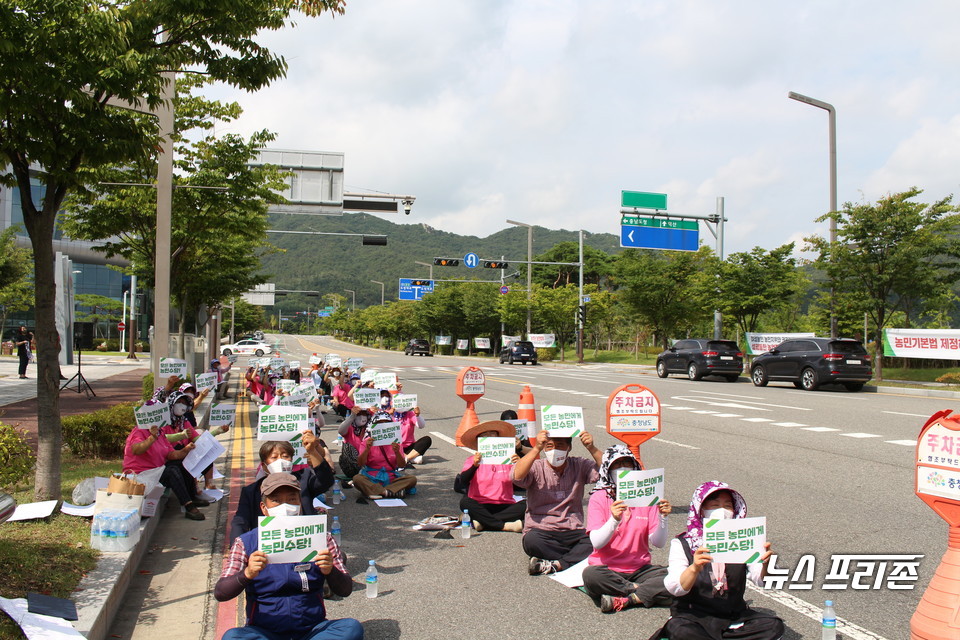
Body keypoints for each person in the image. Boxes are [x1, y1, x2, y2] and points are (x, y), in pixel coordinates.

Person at [215, 473, 363, 640]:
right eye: (276, 501)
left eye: (292, 499)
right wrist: (247, 574)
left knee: (351, 628)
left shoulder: (321, 538)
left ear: (300, 504)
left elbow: (345, 590)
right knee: (233, 637)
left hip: (312, 629)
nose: (285, 506)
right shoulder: (246, 543)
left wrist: (330, 571)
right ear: (264, 508)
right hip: (264, 632)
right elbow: (221, 592)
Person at [651, 481, 784, 640]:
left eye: (727, 506)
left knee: (773, 626)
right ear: (700, 510)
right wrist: (694, 568)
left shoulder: (743, 541)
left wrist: (766, 564)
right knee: (680, 630)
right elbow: (675, 588)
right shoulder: (683, 543)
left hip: (733, 616)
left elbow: (763, 581)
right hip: (694, 617)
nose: (722, 511)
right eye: (714, 505)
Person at [583, 445, 673, 613]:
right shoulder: (599, 498)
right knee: (591, 576)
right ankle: (641, 591)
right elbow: (597, 542)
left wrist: (663, 518)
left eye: (627, 463)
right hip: (607, 569)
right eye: (617, 465)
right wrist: (614, 520)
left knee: (678, 575)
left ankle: (630, 598)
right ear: (608, 470)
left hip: (640, 569)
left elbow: (658, 543)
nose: (623, 468)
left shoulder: (647, 498)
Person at [513, 429, 602, 575]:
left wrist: (591, 448)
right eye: (549, 446)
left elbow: (609, 470)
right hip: (541, 530)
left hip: (573, 529)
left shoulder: (579, 465)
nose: (554, 450)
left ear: (569, 447)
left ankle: (558, 564)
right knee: (531, 542)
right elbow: (517, 476)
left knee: (596, 542)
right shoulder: (537, 467)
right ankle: (575, 558)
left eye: (560, 445)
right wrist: (536, 448)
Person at [229, 439, 335, 542]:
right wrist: (239, 548)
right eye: (274, 457)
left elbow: (326, 481)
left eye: (285, 456)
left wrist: (312, 451)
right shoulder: (251, 491)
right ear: (264, 466)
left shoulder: (304, 478)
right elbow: (240, 522)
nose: (280, 461)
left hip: (304, 542)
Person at [123, 421, 209, 521]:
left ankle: (192, 496)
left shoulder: (161, 432)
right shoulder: (139, 432)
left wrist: (186, 450)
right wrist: (152, 438)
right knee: (172, 471)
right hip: (141, 475)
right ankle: (188, 506)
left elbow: (170, 454)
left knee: (183, 464)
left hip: (156, 471)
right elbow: (136, 450)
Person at [457, 420, 526, 532]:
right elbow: (463, 481)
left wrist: (520, 464)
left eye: (492, 434)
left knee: (528, 504)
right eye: (484, 435)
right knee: (465, 502)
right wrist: (474, 466)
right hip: (481, 504)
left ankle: (483, 522)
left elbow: (523, 481)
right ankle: (505, 526)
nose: (489, 437)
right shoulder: (472, 460)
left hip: (505, 504)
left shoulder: (509, 459)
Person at [349, 411, 416, 500]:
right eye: (380, 424)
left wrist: (397, 452)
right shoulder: (367, 441)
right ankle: (389, 492)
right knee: (357, 479)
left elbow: (401, 465)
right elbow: (360, 463)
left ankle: (378, 491)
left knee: (412, 479)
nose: (383, 426)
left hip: (391, 478)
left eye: (386, 423)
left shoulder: (396, 442)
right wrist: (367, 449)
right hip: (371, 477)